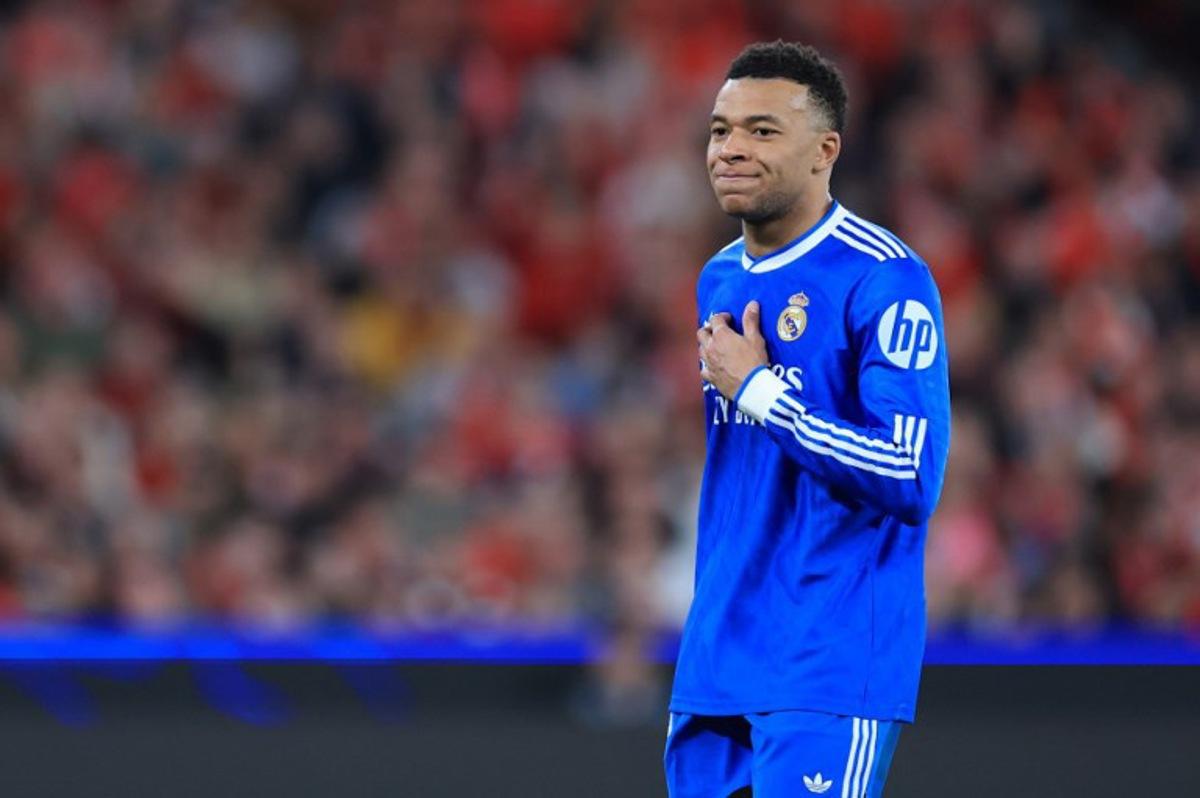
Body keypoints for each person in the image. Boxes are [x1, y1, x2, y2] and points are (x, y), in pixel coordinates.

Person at [664, 41, 951, 798]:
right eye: (721, 130)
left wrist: (761, 391)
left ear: (826, 150)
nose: (730, 149)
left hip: (828, 652)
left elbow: (909, 473)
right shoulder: (720, 276)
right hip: (718, 654)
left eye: (762, 131)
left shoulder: (885, 278)